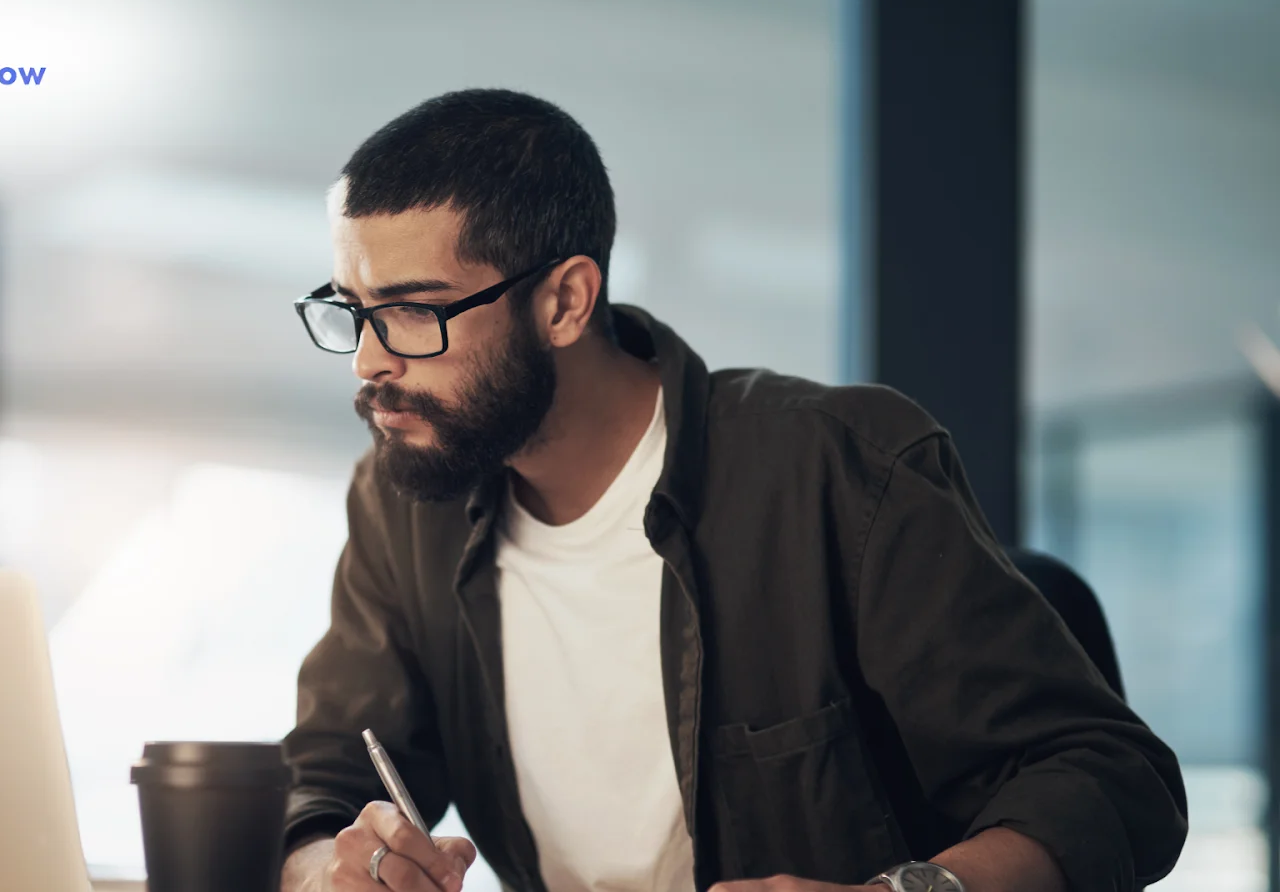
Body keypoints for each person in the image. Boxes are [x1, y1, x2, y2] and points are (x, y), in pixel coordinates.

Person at [279, 89, 1186, 892]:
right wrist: (329, 867)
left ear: (564, 302)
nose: (368, 359)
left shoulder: (839, 467)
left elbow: (1110, 779)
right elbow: (324, 779)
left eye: (411, 311)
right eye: (353, 310)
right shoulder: (402, 504)